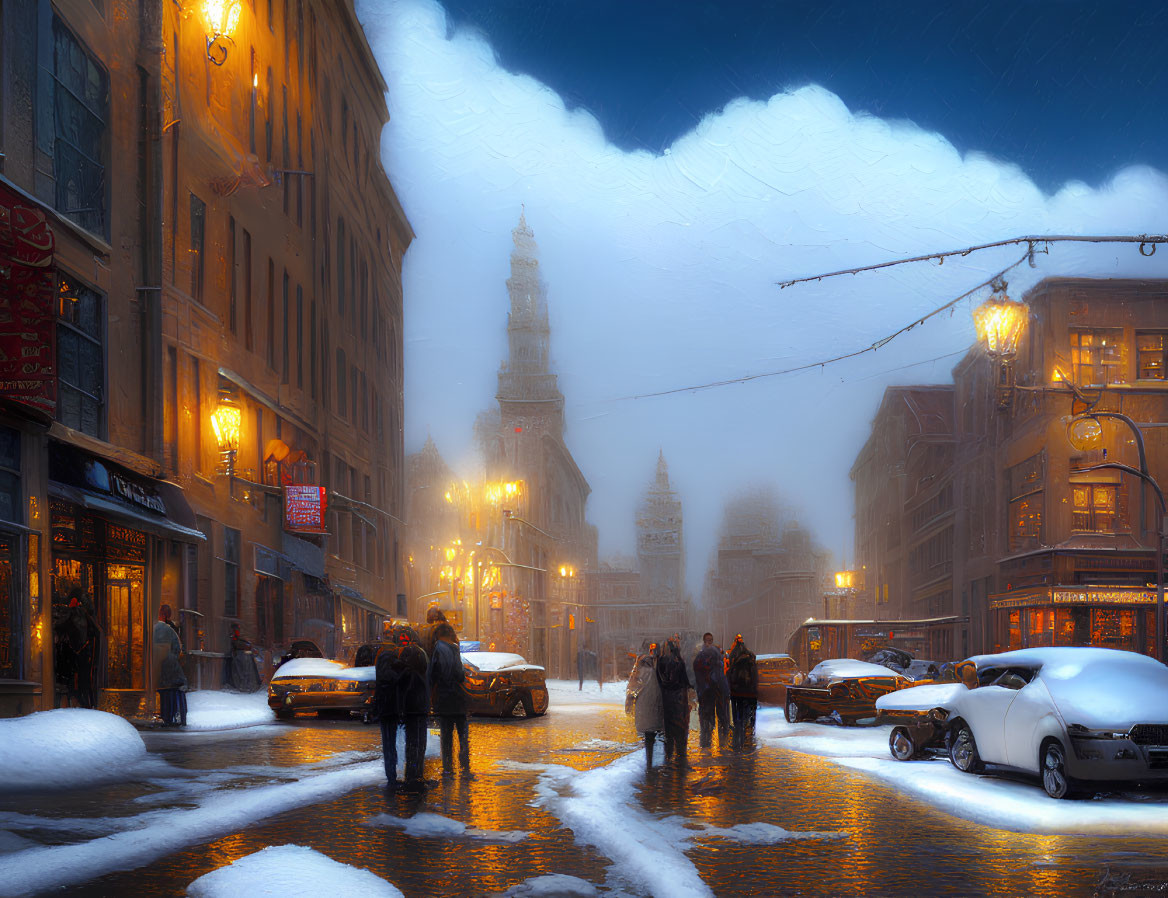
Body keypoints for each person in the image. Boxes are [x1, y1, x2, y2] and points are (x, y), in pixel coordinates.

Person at [428, 621, 470, 777]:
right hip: (458, 700)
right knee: (463, 736)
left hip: (445, 699)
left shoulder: (438, 649)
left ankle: (448, 768)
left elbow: (433, 675)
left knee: (446, 737)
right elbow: (460, 675)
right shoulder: (454, 649)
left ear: (439, 635)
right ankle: (465, 767)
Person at [373, 628, 408, 787]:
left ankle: (391, 775)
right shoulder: (390, 657)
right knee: (390, 741)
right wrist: (401, 674)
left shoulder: (381, 656)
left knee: (388, 741)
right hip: (390, 705)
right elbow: (389, 677)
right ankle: (392, 777)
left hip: (384, 705)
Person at [398, 633, 431, 791]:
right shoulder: (423, 668)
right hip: (422, 708)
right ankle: (417, 774)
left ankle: (411, 776)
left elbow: (403, 689)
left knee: (412, 743)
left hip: (412, 709)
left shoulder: (408, 673)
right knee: (420, 743)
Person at [655, 637, 691, 768]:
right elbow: (685, 680)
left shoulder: (660, 662)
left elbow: (659, 680)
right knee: (680, 728)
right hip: (679, 700)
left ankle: (669, 755)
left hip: (667, 699)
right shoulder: (679, 661)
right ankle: (681, 755)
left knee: (669, 728)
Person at [693, 632, 730, 749]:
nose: (709, 642)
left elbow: (721, 673)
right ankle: (706, 744)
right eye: (708, 640)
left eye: (711, 640)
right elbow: (697, 674)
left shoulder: (716, 655)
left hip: (717, 691)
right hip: (706, 693)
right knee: (707, 719)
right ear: (704, 641)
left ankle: (722, 743)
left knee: (721, 717)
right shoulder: (701, 657)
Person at [631, 643, 664, 769]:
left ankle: (650, 762)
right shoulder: (658, 667)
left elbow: (633, 686)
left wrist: (630, 700)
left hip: (646, 708)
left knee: (649, 737)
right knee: (656, 735)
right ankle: (655, 762)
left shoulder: (641, 669)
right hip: (655, 707)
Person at [153, 605, 187, 726]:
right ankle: (172, 716)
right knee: (172, 691)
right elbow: (177, 648)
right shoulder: (171, 629)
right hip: (170, 665)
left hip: (160, 666)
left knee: (165, 692)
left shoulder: (156, 628)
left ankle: (166, 715)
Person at [727, 634, 759, 748]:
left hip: (736, 692)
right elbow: (755, 677)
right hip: (750, 692)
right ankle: (749, 737)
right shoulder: (751, 659)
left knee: (737, 716)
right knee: (749, 715)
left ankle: (737, 737)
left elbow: (729, 675)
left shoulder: (733, 657)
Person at [228, 624, 261, 692]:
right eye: (237, 629)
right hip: (240, 656)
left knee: (247, 672)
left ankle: (247, 686)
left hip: (244, 656)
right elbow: (235, 644)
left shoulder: (239, 637)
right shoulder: (235, 637)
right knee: (241, 672)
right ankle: (244, 686)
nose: (238, 631)